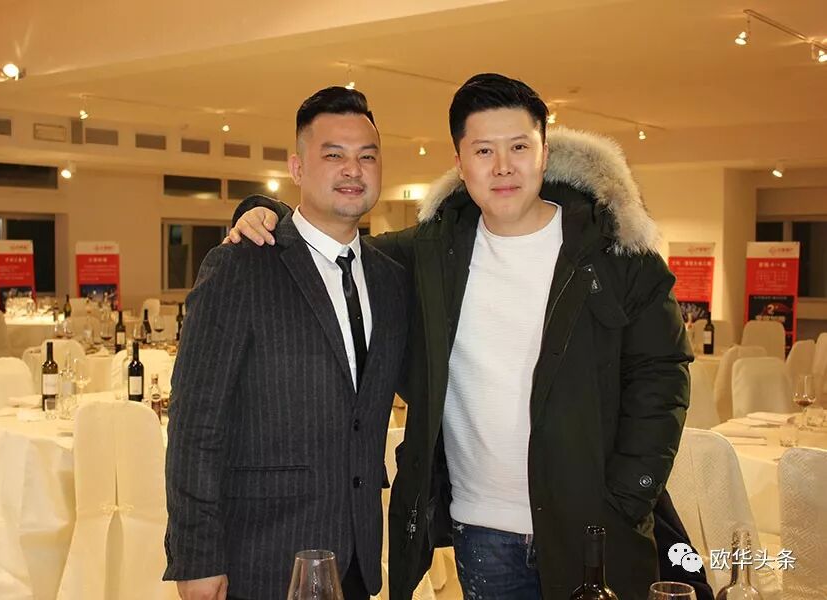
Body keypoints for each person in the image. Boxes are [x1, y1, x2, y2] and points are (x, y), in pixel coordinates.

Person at [230, 74, 708, 600]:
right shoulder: (430, 252)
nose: (502, 166)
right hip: (483, 533)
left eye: (519, 147)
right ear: (460, 163)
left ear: (544, 153)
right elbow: (331, 239)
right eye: (483, 150)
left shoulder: (616, 253)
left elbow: (663, 377)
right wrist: (266, 213)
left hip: (594, 527)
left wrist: (628, 495)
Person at [164, 86, 409, 600]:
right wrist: (196, 556)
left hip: (357, 556)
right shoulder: (241, 265)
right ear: (297, 168)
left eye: (367, 156)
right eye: (334, 155)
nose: (353, 169)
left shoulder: (390, 279)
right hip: (261, 557)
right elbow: (195, 424)